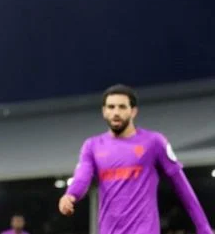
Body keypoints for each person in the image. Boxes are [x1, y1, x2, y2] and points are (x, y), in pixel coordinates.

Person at [58, 84, 212, 234]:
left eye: (122, 107)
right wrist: (70, 195)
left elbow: (181, 185)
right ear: (104, 111)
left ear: (133, 111)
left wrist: (203, 227)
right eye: (111, 107)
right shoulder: (92, 146)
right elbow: (82, 177)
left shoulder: (154, 142)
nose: (116, 112)